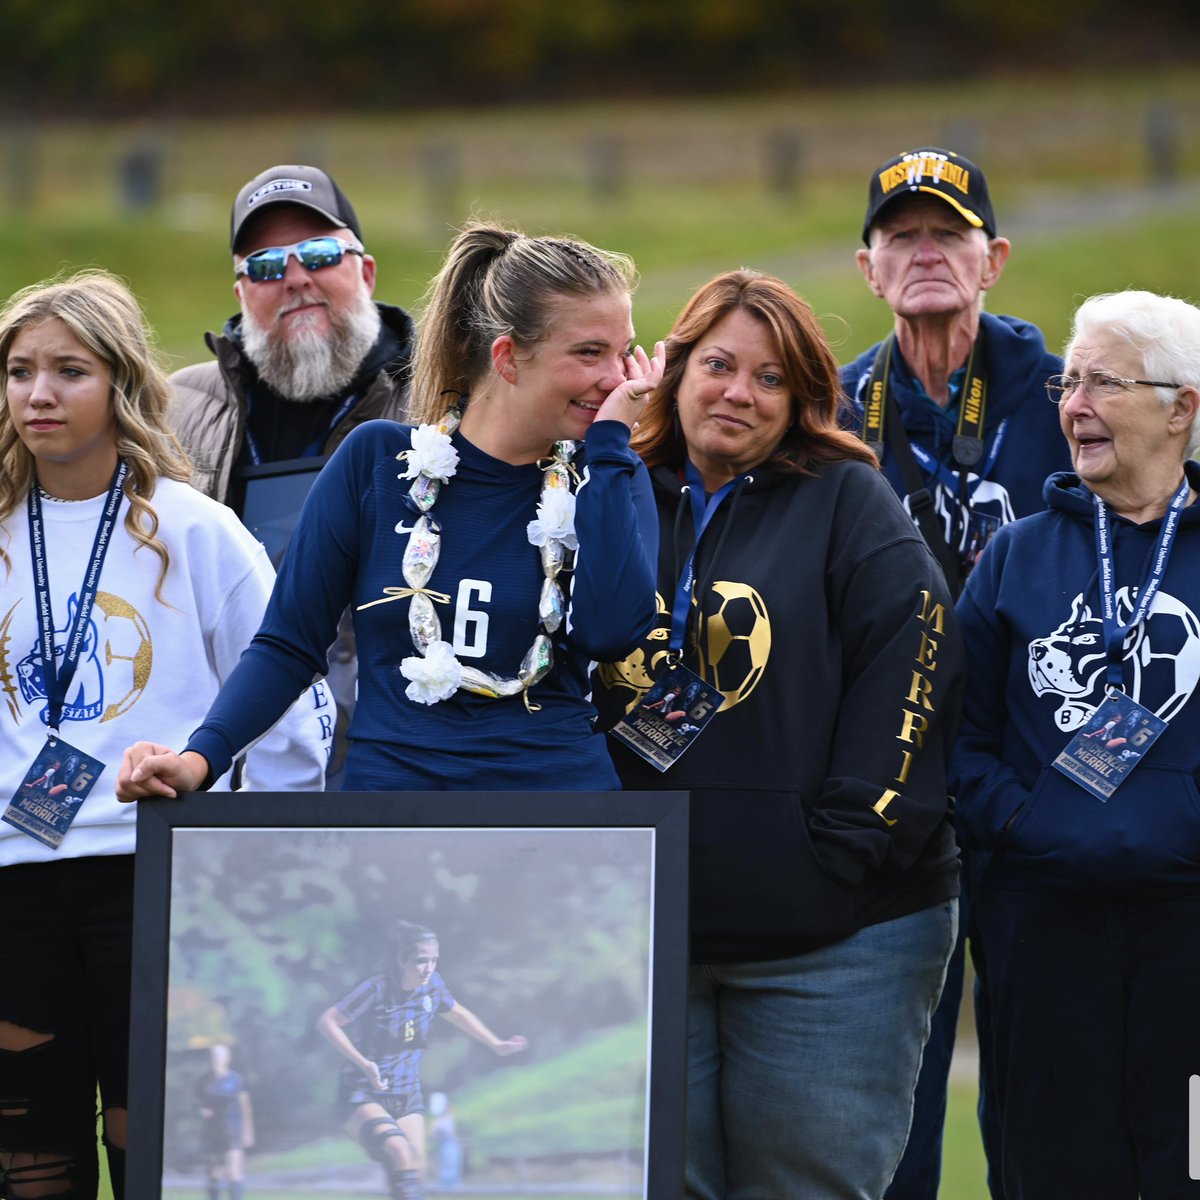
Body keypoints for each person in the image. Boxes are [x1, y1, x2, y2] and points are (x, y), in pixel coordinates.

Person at [593, 269, 966, 1199]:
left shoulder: (847, 499)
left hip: (835, 944)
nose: (737, 393)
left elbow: (914, 663)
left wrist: (843, 847)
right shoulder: (612, 489)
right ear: (672, 371)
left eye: (772, 380)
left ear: (804, 402)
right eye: (718, 365)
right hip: (646, 935)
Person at [117, 222, 662, 799]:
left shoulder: (609, 477)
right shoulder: (375, 461)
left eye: (624, 351)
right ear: (507, 358)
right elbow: (288, 644)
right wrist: (202, 757)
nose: (617, 378)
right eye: (589, 353)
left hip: (560, 817)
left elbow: (610, 633)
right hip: (394, 819)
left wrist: (608, 453)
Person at [0, 271, 325, 1200]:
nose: (39, 394)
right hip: (14, 886)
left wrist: (259, 853)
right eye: (19, 372)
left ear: (122, 384)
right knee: (30, 1159)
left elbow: (286, 696)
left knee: (162, 1154)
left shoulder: (196, 530)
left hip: (159, 877)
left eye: (69, 370)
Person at [840, 146, 1072, 1200]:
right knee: (897, 1078)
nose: (925, 252)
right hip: (896, 789)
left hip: (1039, 779)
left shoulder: (1071, 400)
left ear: (995, 261)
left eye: (950, 235)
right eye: (902, 236)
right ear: (867, 267)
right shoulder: (835, 414)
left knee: (1045, 1072)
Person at [952, 289, 1200, 1199]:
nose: (1074, 403)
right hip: (1043, 934)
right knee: (1050, 1175)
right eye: (1068, 381)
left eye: (1105, 381)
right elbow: (962, 737)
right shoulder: (1016, 557)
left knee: (1191, 1169)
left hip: (1189, 935)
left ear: (1183, 408)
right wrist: (1025, 824)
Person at [168, 164, 416, 783]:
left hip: (386, 746)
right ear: (241, 293)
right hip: (214, 748)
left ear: (366, 270)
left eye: (320, 253)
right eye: (267, 265)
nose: (297, 279)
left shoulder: (443, 401)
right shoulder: (170, 410)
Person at [316, 921, 526, 1200]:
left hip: (407, 1093)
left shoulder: (433, 987)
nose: (429, 968)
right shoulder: (376, 989)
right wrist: (363, 1063)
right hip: (365, 1092)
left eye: (434, 960)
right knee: (399, 1152)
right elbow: (327, 1021)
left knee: (413, 1173)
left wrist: (495, 1043)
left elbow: (458, 1014)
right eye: (421, 961)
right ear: (401, 959)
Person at [197, 1044, 254, 1200]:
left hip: (232, 1129)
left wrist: (248, 1132)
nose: (215, 1059)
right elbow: (200, 1104)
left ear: (227, 1058)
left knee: (234, 1172)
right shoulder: (204, 1081)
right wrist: (202, 1111)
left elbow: (245, 1106)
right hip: (212, 1131)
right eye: (212, 1056)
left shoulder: (236, 1080)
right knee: (213, 1173)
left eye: (219, 1056)